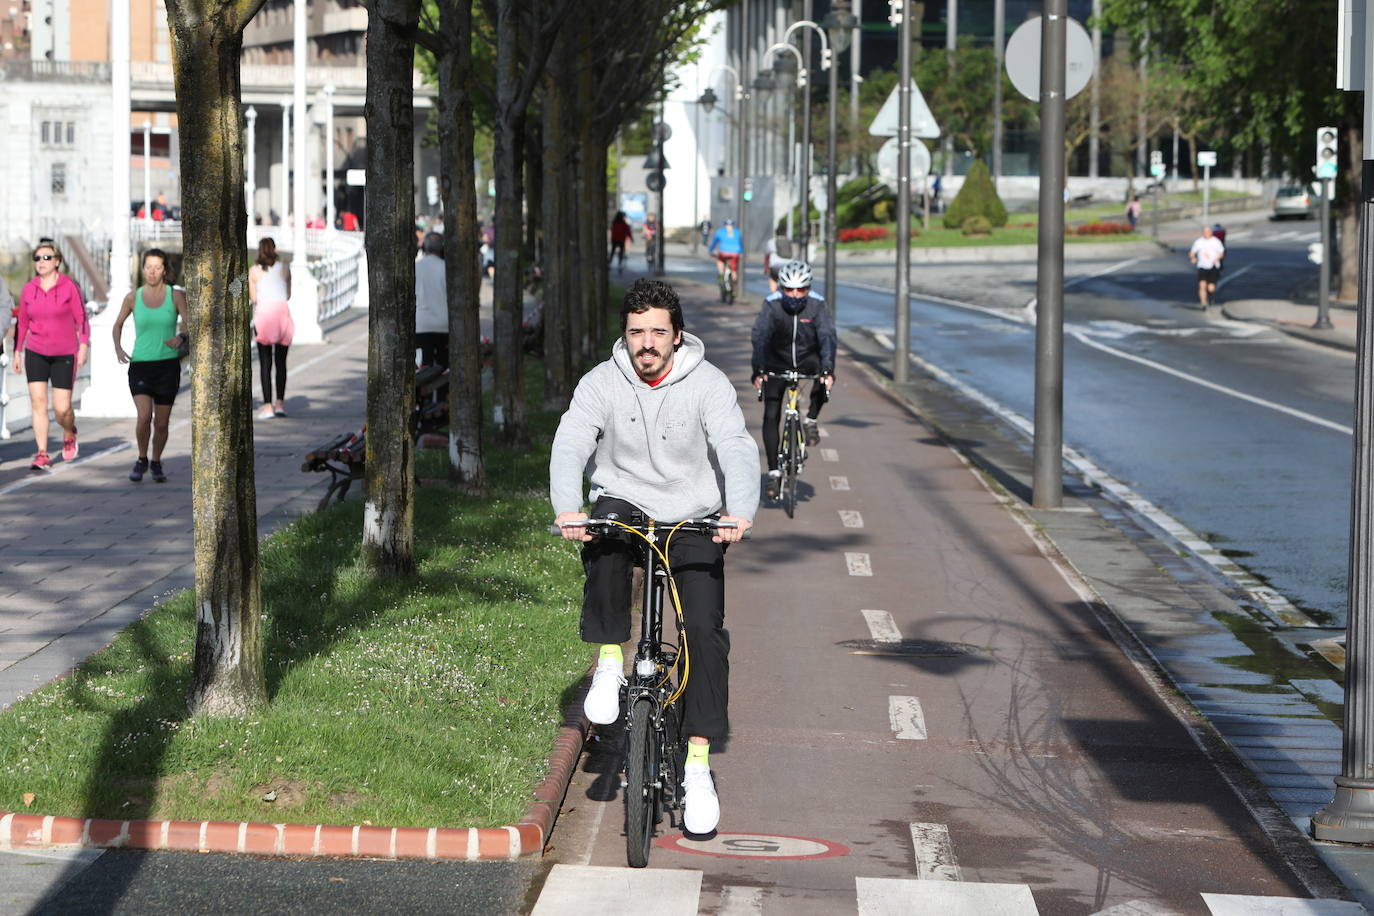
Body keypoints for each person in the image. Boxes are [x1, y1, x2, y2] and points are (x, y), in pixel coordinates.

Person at [551, 278, 759, 836]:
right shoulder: (602, 381)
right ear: (625, 335)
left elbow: (735, 445)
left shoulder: (708, 384)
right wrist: (569, 507)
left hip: (693, 512)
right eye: (636, 331)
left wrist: (739, 510)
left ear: (677, 336)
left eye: (657, 332)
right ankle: (611, 664)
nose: (646, 342)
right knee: (606, 535)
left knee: (706, 634)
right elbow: (572, 440)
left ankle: (695, 767)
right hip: (627, 500)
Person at [750, 260, 835, 501]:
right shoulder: (772, 305)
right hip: (777, 362)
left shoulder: (817, 305)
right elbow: (760, 337)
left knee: (824, 380)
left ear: (809, 287)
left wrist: (828, 370)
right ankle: (775, 471)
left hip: (809, 360)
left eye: (801, 289)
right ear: (781, 287)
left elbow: (827, 337)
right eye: (789, 289)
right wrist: (758, 370)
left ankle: (811, 419)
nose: (795, 295)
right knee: (771, 414)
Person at [112, 249, 188, 483]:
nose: (152, 272)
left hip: (167, 365)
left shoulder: (175, 296)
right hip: (141, 364)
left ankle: (156, 461)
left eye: (157, 267)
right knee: (144, 416)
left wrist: (181, 338)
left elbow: (189, 323)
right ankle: (142, 457)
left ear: (165, 270)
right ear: (143, 269)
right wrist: (118, 348)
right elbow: (117, 325)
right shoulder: (132, 298)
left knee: (162, 422)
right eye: (148, 267)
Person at [14, 242, 87, 470]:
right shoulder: (29, 289)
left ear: (57, 260)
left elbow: (82, 319)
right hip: (35, 351)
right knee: (38, 402)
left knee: (62, 409)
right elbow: (23, 322)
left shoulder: (69, 287)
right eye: (37, 258)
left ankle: (68, 432)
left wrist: (83, 346)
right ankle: (42, 453)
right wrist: (17, 351)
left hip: (64, 352)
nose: (41, 262)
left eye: (47, 257)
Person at [248, 237, 293, 418]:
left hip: (264, 315)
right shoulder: (285, 268)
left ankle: (268, 407)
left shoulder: (253, 271)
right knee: (281, 363)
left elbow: (253, 298)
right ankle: (280, 404)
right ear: (274, 249)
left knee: (265, 363)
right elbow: (288, 294)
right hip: (282, 313)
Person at [415, 232, 449, 368]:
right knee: (443, 365)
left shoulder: (416, 267)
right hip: (444, 323)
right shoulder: (446, 267)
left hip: (421, 323)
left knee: (424, 365)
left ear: (424, 248)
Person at [1188, 223, 1226, 309]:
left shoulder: (1216, 241)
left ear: (1211, 232)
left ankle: (1211, 295)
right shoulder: (1199, 242)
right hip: (1202, 266)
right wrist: (1193, 258)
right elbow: (1192, 252)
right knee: (1202, 285)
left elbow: (1221, 253)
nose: (1206, 233)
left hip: (1213, 266)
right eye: (1205, 231)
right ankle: (1203, 303)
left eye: (1208, 231)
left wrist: (1217, 259)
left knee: (1211, 287)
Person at [707, 218, 743, 292]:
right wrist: (741, 251)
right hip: (735, 253)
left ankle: (721, 275)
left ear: (725, 225)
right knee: (734, 270)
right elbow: (740, 244)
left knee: (720, 261)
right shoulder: (738, 232)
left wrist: (710, 250)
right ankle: (734, 290)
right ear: (733, 225)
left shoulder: (720, 231)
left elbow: (714, 242)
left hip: (723, 253)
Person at [762, 227, 794, 293]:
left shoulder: (771, 241)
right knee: (788, 282)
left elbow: (767, 256)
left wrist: (766, 268)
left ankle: (774, 294)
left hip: (775, 266)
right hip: (788, 266)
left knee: (773, 279)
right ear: (785, 233)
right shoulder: (789, 241)